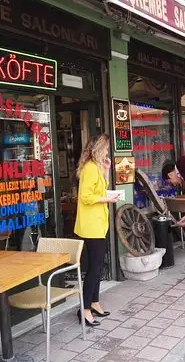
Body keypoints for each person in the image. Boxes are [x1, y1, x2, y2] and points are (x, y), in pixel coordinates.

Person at [75, 134, 120, 326]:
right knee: (94, 269)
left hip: (98, 224)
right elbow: (86, 197)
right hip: (91, 226)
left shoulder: (96, 168)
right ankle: (84, 309)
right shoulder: (90, 169)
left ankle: (94, 302)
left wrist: (107, 170)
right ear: (99, 149)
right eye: (106, 149)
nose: (108, 152)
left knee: (98, 266)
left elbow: (102, 189)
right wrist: (108, 200)